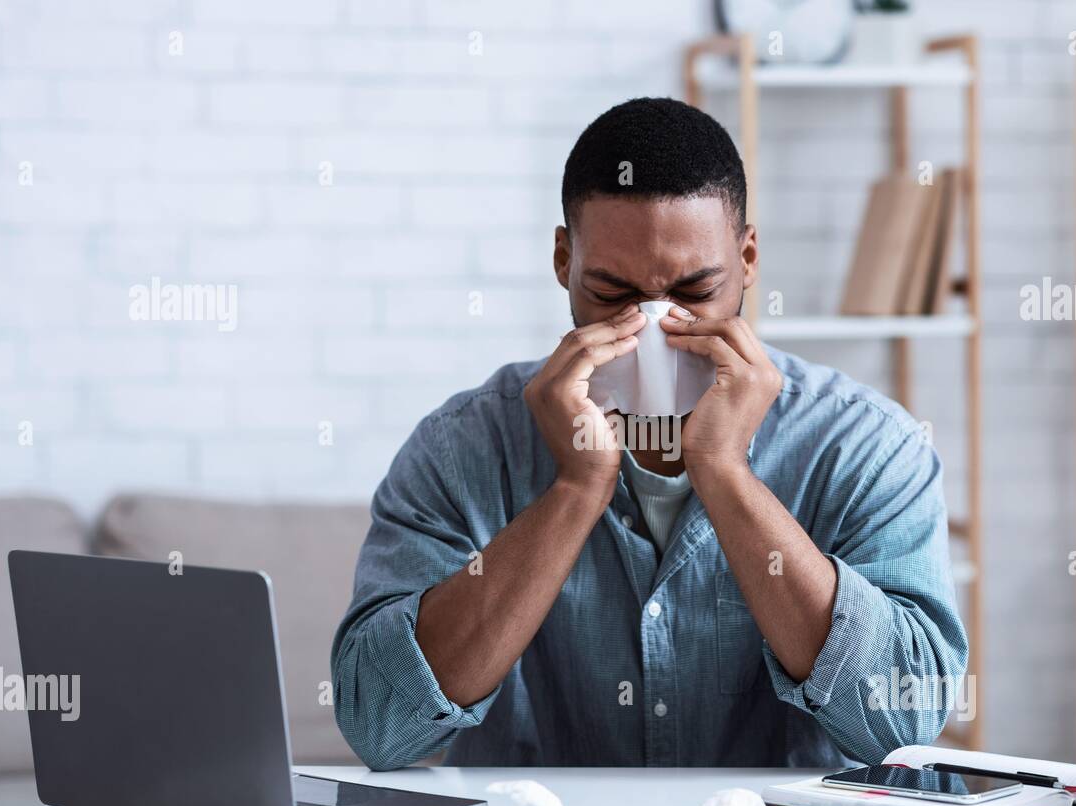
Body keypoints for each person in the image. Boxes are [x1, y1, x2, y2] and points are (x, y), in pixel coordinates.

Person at [332, 97, 967, 768]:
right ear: (562, 260)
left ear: (748, 259)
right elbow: (382, 724)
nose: (655, 331)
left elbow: (903, 722)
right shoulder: (462, 447)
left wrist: (727, 476)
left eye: (695, 292)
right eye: (612, 295)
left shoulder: (866, 447)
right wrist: (577, 489)